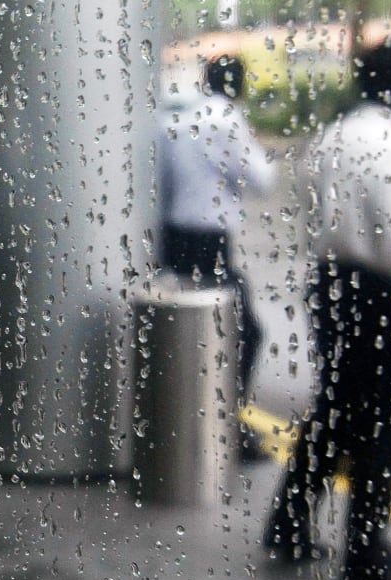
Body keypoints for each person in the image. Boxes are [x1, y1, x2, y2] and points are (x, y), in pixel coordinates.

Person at [264, 40, 391, 580]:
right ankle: (365, 553)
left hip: (332, 286)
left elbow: (308, 210)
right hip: (383, 296)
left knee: (335, 412)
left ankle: (288, 523)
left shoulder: (331, 138)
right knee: (384, 427)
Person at [157, 55, 275, 460]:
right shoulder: (227, 119)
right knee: (244, 333)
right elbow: (261, 178)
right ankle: (227, 426)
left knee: (190, 331)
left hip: (173, 239)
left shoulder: (179, 120)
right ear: (240, 85)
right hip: (209, 243)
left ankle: (190, 420)